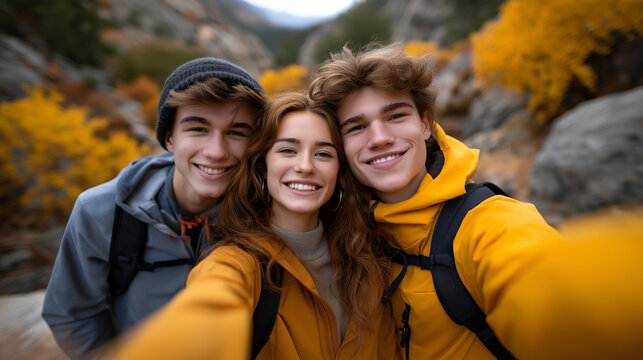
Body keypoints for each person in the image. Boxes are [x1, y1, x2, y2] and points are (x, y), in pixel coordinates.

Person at [309, 43, 643, 359]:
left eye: (395, 116)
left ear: (425, 124)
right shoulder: (349, 234)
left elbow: (558, 299)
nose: (380, 139)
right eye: (357, 127)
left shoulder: (492, 223)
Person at [110, 91, 401, 359]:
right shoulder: (234, 264)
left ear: (340, 170)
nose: (305, 166)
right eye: (288, 150)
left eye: (323, 153)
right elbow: (210, 308)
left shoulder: (368, 260)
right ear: (262, 165)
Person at [42, 58, 267, 359]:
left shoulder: (264, 213)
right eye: (199, 129)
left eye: (237, 132)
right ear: (170, 138)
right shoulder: (101, 211)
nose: (216, 152)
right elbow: (71, 314)